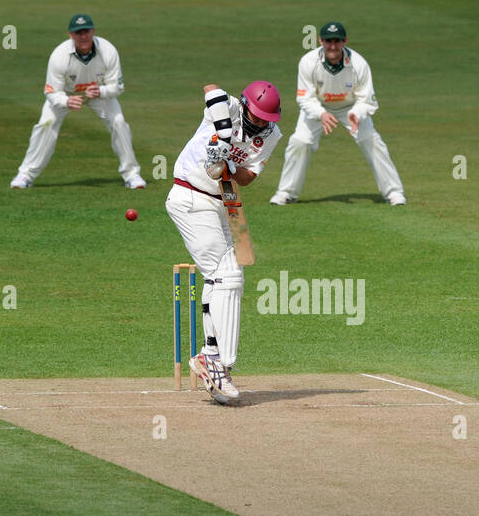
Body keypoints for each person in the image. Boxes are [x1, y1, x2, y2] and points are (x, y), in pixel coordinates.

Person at [166, 81, 283, 405]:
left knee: (219, 279)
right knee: (228, 275)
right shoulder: (228, 107)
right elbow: (210, 88)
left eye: (267, 118)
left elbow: (249, 177)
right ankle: (217, 363)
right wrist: (224, 137)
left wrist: (229, 165)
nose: (261, 123)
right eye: (257, 116)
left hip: (220, 203)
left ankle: (211, 358)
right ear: (245, 106)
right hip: (189, 196)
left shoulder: (271, 135)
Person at [269, 22, 405, 206]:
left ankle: (394, 193)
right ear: (320, 41)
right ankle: (286, 193)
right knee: (300, 142)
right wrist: (321, 114)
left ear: (345, 41)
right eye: (328, 41)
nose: (332, 46)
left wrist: (356, 113)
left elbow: (368, 100)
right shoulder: (308, 62)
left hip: (351, 108)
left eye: (337, 41)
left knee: (372, 140)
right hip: (318, 107)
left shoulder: (359, 64)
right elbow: (305, 98)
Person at [10, 14, 146, 190]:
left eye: (86, 32)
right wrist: (66, 101)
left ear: (93, 31)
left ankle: (132, 175)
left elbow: (118, 86)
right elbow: (50, 92)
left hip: (98, 93)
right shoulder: (59, 55)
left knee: (119, 122)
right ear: (70, 35)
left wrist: (101, 91)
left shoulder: (108, 51)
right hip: (66, 94)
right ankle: (26, 175)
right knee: (46, 124)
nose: (83, 36)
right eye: (78, 33)